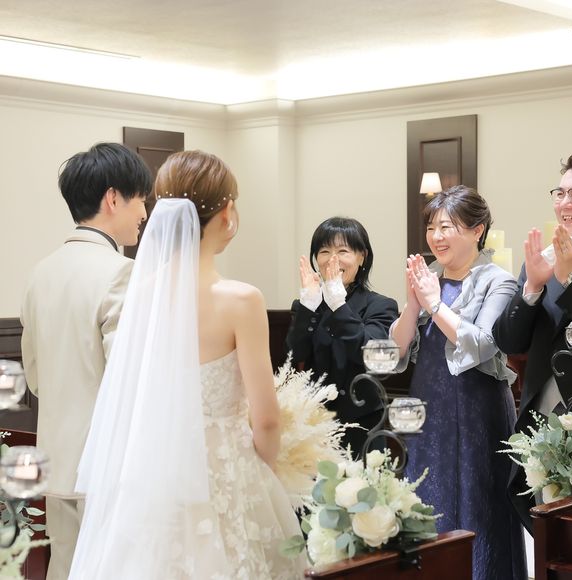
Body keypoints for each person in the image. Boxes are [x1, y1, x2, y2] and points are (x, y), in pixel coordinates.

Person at [69, 150, 305, 579]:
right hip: (227, 474)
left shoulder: (142, 293)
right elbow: (267, 420)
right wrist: (262, 475)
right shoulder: (241, 300)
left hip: (155, 473)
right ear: (228, 213)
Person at [20, 143, 152, 580]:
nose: (144, 213)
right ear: (113, 198)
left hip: (55, 460)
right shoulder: (120, 272)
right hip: (107, 463)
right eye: (140, 199)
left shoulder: (41, 272)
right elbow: (128, 380)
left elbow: (35, 377)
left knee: (65, 568)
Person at [390, 186, 527, 580]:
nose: (436, 236)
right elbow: (396, 349)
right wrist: (413, 304)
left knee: (478, 507)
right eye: (431, 227)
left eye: (446, 227)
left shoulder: (498, 281)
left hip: (478, 410)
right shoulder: (428, 277)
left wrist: (435, 304)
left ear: (477, 231)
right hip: (428, 407)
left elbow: (482, 344)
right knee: (426, 499)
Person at [493, 151, 572, 533]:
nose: (566, 203)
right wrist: (531, 287)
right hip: (543, 425)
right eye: (560, 193)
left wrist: (571, 279)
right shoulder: (542, 259)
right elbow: (508, 340)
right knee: (553, 537)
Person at [285, 217, 398, 458]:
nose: (332, 259)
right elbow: (294, 356)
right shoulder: (307, 304)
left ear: (362, 257)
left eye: (343, 251)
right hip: (314, 424)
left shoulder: (381, 305)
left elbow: (369, 353)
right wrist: (308, 305)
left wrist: (338, 303)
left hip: (362, 424)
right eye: (324, 251)